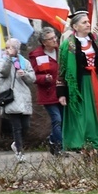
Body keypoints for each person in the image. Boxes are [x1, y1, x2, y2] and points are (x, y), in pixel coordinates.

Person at [57, 11, 98, 154]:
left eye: (88, 22)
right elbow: (61, 70)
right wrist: (61, 92)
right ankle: (88, 145)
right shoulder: (68, 45)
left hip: (96, 81)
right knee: (85, 117)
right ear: (75, 26)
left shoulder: (97, 41)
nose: (88, 24)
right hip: (79, 84)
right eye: (84, 22)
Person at [0, 38, 35, 163]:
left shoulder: (24, 62)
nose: (9, 49)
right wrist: (9, 58)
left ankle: (16, 144)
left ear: (17, 49)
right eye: (7, 47)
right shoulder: (3, 60)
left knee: (25, 126)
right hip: (11, 98)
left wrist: (24, 74)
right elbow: (3, 71)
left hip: (23, 98)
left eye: (12, 47)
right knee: (17, 127)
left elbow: (32, 79)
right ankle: (19, 151)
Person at [29, 27, 65, 156]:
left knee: (64, 120)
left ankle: (52, 140)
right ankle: (60, 147)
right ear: (44, 42)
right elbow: (33, 75)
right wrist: (44, 78)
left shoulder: (60, 51)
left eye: (55, 37)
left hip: (62, 91)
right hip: (48, 93)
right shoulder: (37, 55)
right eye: (51, 39)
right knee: (57, 119)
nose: (55, 40)